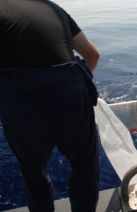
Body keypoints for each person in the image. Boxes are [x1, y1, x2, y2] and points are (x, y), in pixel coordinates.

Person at [0, 0, 100, 211]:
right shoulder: (53, 8)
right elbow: (92, 55)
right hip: (70, 92)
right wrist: (75, 88)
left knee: (34, 174)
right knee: (85, 167)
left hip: (20, 102)